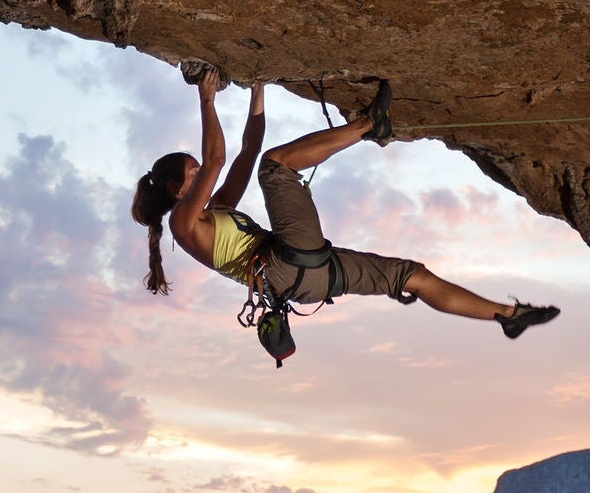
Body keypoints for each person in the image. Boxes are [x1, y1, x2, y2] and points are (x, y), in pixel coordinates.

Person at [130, 67, 560, 339]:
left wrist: (258, 86)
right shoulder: (184, 226)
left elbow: (245, 151)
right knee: (276, 168)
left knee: (413, 276)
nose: (202, 174)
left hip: (307, 279)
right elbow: (218, 159)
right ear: (175, 190)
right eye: (191, 173)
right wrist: (206, 100)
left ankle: (507, 314)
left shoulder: (215, 211)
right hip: (285, 264)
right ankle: (371, 124)